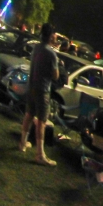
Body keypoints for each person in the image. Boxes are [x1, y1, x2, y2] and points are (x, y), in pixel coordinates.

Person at [19, 24, 60, 166]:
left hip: (32, 86)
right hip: (43, 89)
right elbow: (55, 76)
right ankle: (40, 154)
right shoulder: (52, 54)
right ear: (50, 36)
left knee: (29, 114)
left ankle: (23, 143)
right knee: (42, 121)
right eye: (54, 33)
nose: (56, 36)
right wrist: (58, 64)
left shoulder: (37, 47)